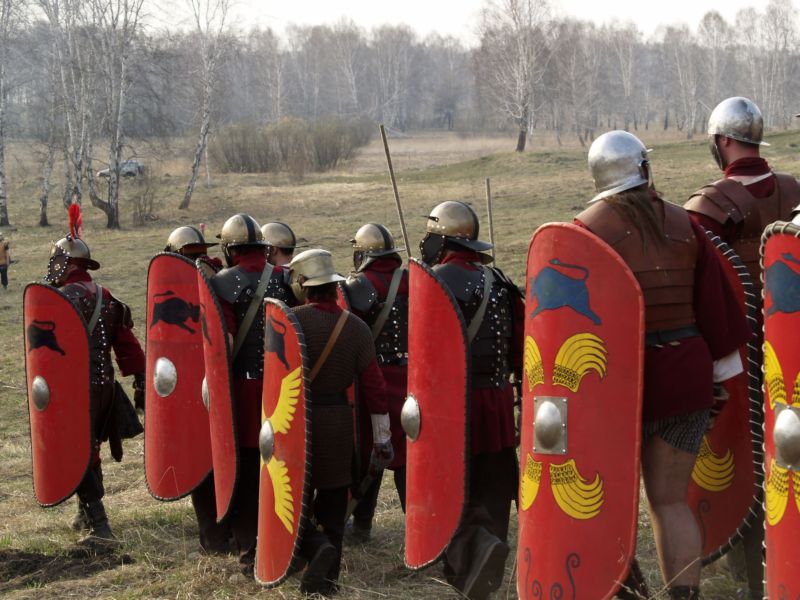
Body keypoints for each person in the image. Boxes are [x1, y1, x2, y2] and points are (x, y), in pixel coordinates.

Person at [574, 130, 751, 600]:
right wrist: (722, 382)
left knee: (608, 501)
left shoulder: (585, 231)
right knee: (671, 500)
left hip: (619, 386)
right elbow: (717, 311)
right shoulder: (683, 223)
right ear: (643, 168)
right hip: (685, 379)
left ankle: (624, 588)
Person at [684, 97, 800, 599]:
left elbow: (696, 290)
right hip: (793, 355)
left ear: (723, 142)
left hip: (740, 357)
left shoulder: (707, 207)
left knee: (746, 456)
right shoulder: (795, 192)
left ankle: (755, 574)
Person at [418, 200, 524, 600]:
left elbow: (423, 352)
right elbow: (521, 347)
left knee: (454, 485)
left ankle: (473, 554)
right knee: (493, 482)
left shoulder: (434, 282)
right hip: (496, 401)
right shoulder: (501, 282)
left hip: (454, 407)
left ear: (443, 240)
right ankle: (491, 544)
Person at [287, 248, 392, 596]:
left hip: (297, 424)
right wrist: (382, 437)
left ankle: (314, 547)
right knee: (333, 504)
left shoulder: (290, 323)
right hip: (339, 424)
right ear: (334, 286)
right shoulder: (356, 327)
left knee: (293, 498)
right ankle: (327, 582)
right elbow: (375, 388)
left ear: (303, 284)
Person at [45, 223, 145, 546]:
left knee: (76, 450)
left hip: (75, 392)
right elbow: (127, 345)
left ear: (66, 264)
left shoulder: (60, 300)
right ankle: (84, 515)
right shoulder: (106, 296)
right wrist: (140, 378)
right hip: (104, 388)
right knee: (91, 449)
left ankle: (101, 526)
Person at [210, 213, 297, 575]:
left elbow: (224, 344)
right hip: (287, 388)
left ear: (230, 250)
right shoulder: (287, 278)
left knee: (248, 469)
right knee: (283, 463)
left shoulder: (221, 283)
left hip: (247, 390)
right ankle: (288, 540)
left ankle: (250, 548)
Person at [162, 225, 231, 555]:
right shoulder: (223, 277)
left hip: (197, 386)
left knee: (201, 462)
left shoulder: (179, 282)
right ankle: (232, 533)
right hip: (224, 383)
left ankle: (214, 539)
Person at [342, 223, 408, 542]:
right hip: (413, 381)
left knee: (371, 451)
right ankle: (419, 526)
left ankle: (363, 523)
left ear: (362, 254)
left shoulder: (357, 286)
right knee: (408, 456)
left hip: (374, 380)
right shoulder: (414, 281)